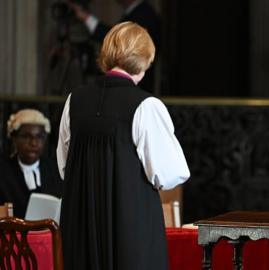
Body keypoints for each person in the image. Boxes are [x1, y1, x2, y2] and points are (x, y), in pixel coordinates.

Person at [56, 21, 190, 270]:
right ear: (144, 59)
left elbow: (65, 166)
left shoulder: (75, 100)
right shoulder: (146, 106)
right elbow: (171, 173)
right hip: (129, 227)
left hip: (82, 225)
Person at [69, 0, 161, 93]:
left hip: (134, 90)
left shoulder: (143, 13)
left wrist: (87, 18)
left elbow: (118, 40)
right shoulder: (134, 12)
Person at [0, 109, 63, 218]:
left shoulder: (54, 170)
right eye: (25, 136)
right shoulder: (3, 171)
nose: (34, 143)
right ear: (14, 139)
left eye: (39, 137)